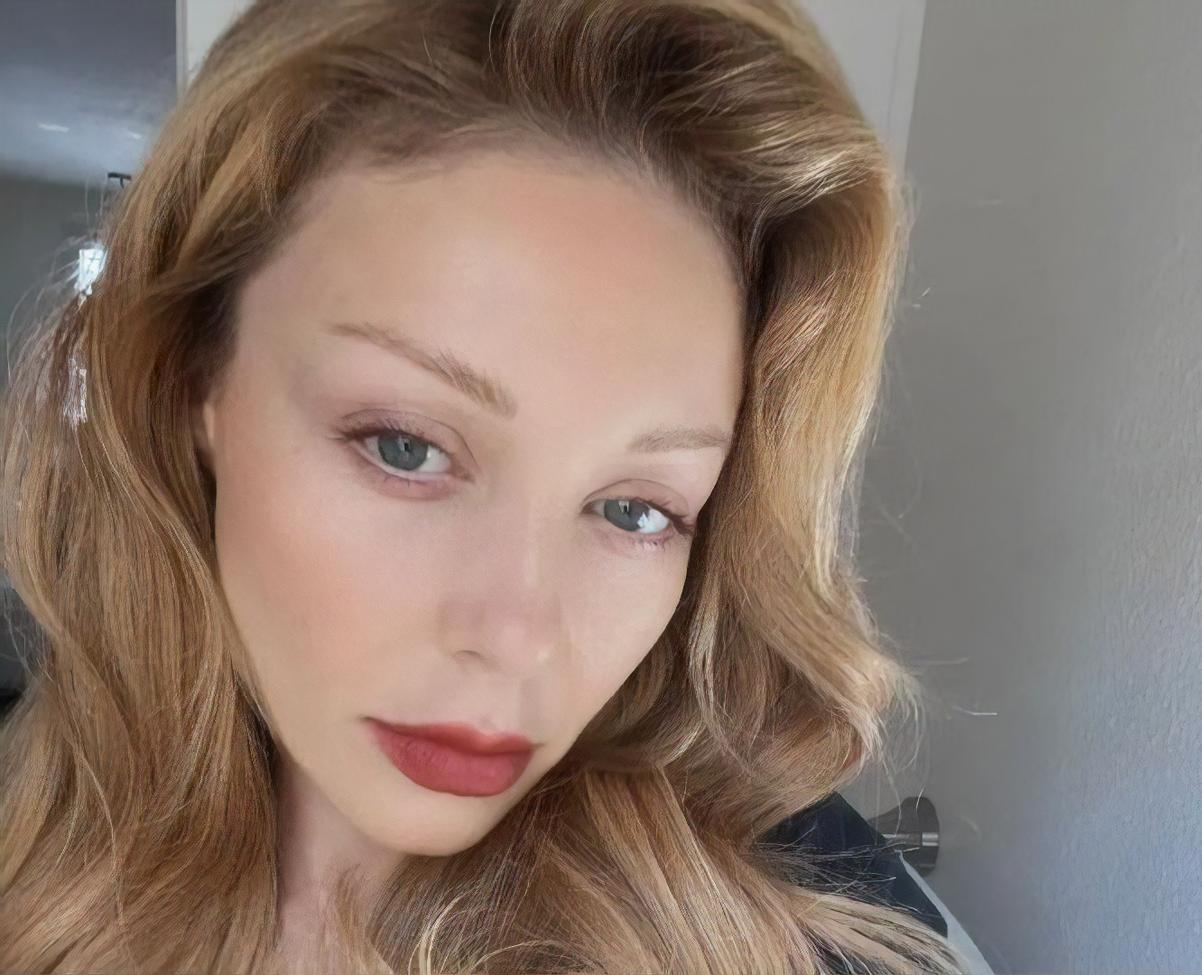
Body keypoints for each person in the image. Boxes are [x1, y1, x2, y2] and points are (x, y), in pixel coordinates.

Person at [0, 1, 977, 972]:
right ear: (193, 384)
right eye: (406, 448)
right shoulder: (35, 869)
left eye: (635, 509)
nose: (516, 636)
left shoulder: (781, 940)